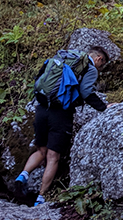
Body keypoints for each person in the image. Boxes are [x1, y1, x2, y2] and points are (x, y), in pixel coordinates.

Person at [14, 45, 109, 207]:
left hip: (42, 108)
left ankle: (22, 175)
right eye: (102, 65)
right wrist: (104, 107)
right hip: (61, 113)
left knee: (41, 150)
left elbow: (40, 77)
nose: (101, 68)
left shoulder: (63, 57)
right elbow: (86, 92)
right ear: (99, 58)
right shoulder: (90, 68)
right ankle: (41, 198)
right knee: (53, 156)